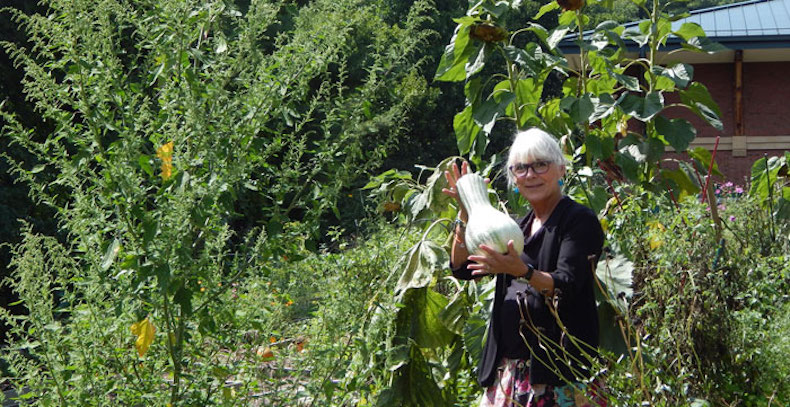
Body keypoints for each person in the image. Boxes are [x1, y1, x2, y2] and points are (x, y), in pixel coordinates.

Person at [443, 128, 606, 407]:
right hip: (510, 371)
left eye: (540, 164)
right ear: (513, 177)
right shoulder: (517, 227)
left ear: (561, 169)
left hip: (556, 373)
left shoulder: (579, 221)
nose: (530, 175)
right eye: (521, 168)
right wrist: (465, 214)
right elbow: (462, 268)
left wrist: (522, 271)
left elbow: (566, 283)